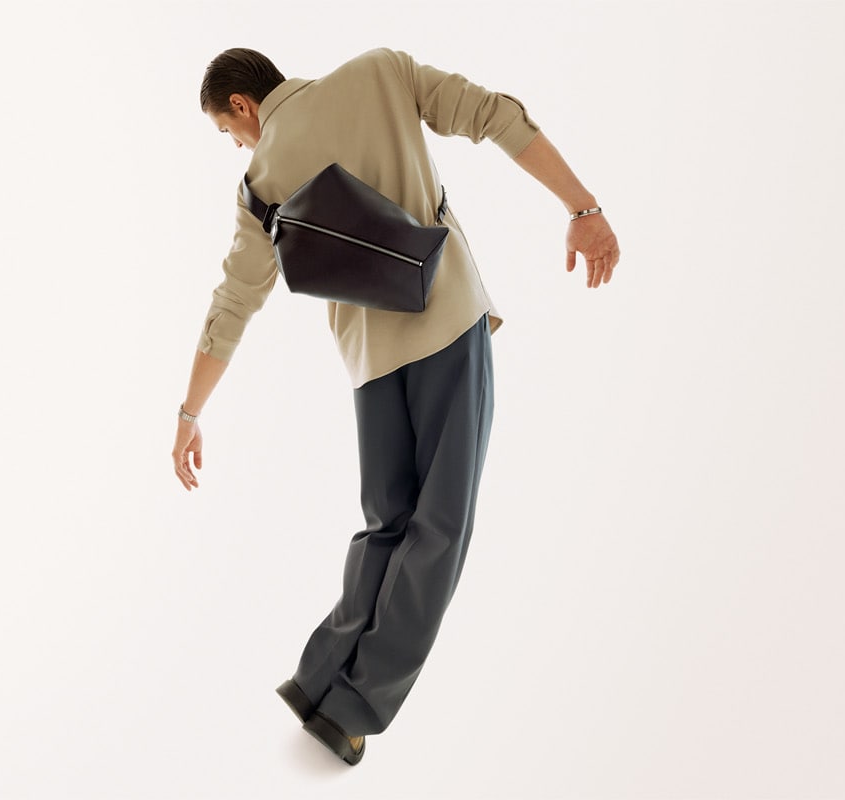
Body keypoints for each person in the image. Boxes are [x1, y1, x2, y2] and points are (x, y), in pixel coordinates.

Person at [171, 46, 619, 765]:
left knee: (387, 523)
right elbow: (496, 116)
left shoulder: (259, 182)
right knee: (440, 526)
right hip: (445, 320)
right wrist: (582, 208)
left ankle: (319, 680)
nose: (238, 144)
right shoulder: (381, 72)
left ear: (244, 106)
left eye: (229, 131)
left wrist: (190, 413)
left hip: (369, 363)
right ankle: (351, 711)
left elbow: (234, 303)